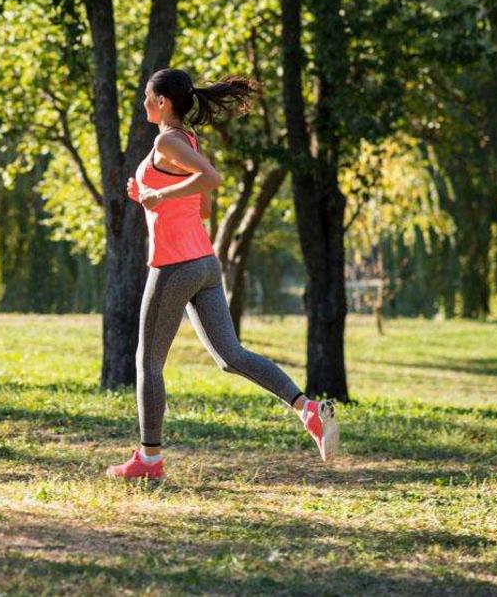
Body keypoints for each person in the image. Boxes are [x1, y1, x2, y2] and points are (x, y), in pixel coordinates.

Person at [105, 68, 339, 481]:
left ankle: (149, 460)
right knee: (231, 356)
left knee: (148, 362)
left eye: (147, 97)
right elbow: (204, 206)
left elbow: (211, 179)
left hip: (174, 265)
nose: (144, 104)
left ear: (163, 102)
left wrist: (158, 193)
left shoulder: (167, 141)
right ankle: (307, 409)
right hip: (204, 265)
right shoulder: (188, 140)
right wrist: (149, 196)